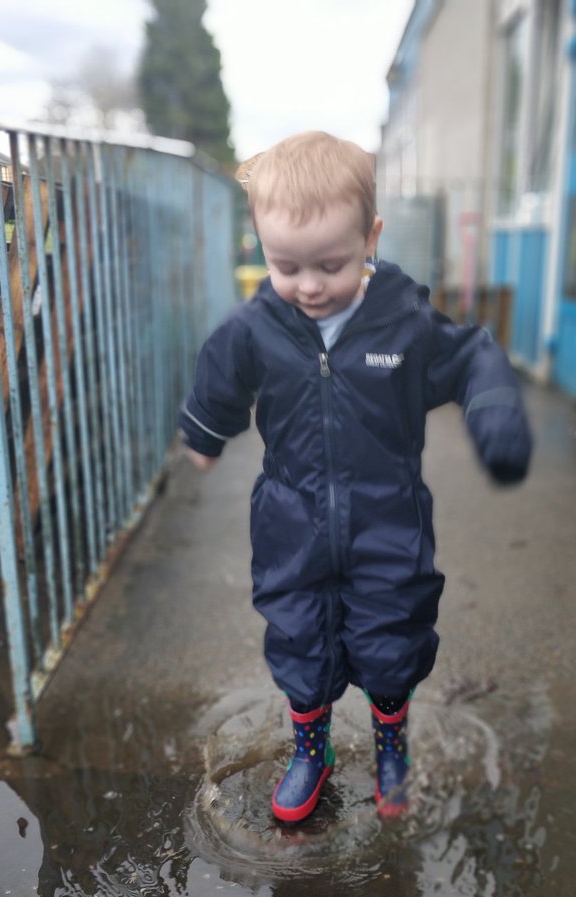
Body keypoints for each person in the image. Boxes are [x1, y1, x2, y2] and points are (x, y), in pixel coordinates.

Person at [178, 131, 532, 824]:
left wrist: (494, 414)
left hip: (387, 518)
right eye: (286, 266)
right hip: (290, 518)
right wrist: (204, 432)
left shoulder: (402, 321)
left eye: (330, 265)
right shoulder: (260, 326)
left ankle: (390, 742)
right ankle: (311, 747)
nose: (308, 285)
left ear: (370, 236)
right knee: (298, 633)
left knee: (392, 633)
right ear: (262, 248)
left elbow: (472, 358)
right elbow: (221, 372)